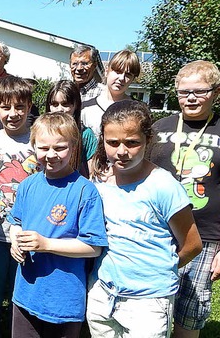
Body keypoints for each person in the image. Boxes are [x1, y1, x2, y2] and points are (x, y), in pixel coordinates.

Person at [86, 100, 202, 338]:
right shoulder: (99, 182)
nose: (121, 151)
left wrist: (160, 268)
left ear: (148, 140)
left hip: (148, 303)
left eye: (132, 143)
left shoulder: (164, 186)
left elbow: (192, 245)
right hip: (103, 294)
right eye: (112, 142)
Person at [9, 112, 108, 338]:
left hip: (63, 301)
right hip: (25, 294)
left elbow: (93, 247)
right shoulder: (28, 185)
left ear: (74, 147)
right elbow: (16, 221)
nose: (51, 155)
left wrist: (46, 244)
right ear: (33, 146)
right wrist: (15, 240)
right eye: (43, 148)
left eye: (60, 148)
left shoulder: (85, 191)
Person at [149, 60, 220, 338]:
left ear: (215, 92)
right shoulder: (157, 128)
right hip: (157, 232)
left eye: (199, 91)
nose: (190, 97)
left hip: (204, 236)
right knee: (153, 303)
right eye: (183, 91)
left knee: (191, 309)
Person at [0, 75, 38, 338]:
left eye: (20, 107)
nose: (13, 114)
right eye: (6, 107)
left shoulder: (38, 140)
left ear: (29, 106)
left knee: (21, 300)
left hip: (28, 238)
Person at [81, 50, 140, 138]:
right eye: (118, 72)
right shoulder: (85, 108)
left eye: (128, 74)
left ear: (133, 79)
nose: (121, 78)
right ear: (106, 71)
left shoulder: (138, 110)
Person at [46, 79, 98, 177]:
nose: (60, 109)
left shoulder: (85, 135)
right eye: (55, 104)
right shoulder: (41, 133)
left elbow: (92, 173)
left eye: (65, 104)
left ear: (76, 105)